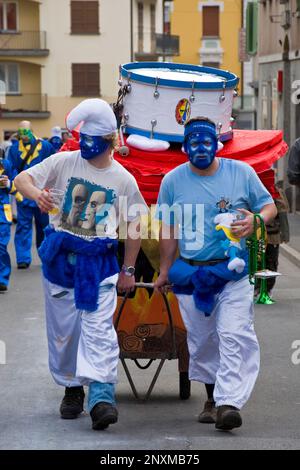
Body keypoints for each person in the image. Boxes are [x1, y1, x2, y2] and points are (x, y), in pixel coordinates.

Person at [14, 98, 148, 431]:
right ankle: (72, 388)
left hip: (99, 267)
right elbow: (21, 180)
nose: (84, 145)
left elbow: (134, 227)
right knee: (65, 335)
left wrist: (128, 270)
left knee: (100, 332)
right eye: (82, 138)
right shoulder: (62, 162)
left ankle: (101, 397)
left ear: (108, 141)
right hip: (60, 265)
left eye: (91, 140)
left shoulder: (123, 179)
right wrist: (37, 195)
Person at [155, 117, 277, 431]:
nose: (200, 148)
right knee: (203, 341)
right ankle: (211, 396)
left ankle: (228, 404)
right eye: (193, 142)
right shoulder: (171, 181)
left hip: (232, 274)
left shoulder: (242, 173)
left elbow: (268, 206)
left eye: (206, 142)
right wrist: (164, 271)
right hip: (193, 276)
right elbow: (167, 230)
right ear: (185, 146)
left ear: (216, 144)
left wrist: (257, 222)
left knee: (234, 334)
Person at [7, 121, 55, 269]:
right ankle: (23, 258)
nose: (23, 135)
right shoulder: (14, 150)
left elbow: (53, 167)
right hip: (24, 196)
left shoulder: (46, 146)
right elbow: (11, 170)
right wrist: (16, 190)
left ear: (32, 131)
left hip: (42, 195)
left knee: (44, 226)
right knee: (23, 226)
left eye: (26, 132)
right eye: (20, 132)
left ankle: (45, 255)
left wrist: (50, 189)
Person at [0, 157, 22, 292]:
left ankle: (2, 279)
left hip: (2, 213)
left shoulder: (6, 163)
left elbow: (16, 185)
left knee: (1, 247)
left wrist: (7, 183)